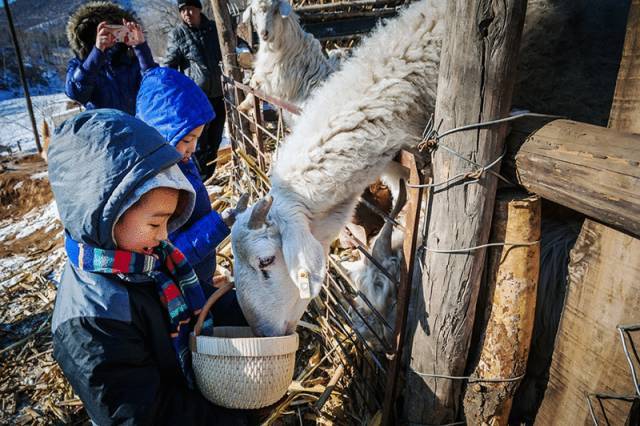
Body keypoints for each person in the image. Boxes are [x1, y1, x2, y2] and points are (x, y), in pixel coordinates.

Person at [48, 109, 250, 425]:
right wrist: (238, 418)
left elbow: (200, 306)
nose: (165, 234)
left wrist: (253, 314)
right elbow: (146, 416)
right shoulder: (91, 321)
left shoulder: (150, 260)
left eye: (169, 220)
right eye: (156, 222)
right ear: (106, 215)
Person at [136, 66, 246, 326]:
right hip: (183, 289)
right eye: (186, 139)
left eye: (197, 138)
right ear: (162, 132)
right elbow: (173, 252)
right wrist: (221, 224)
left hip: (198, 276)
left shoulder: (181, 161)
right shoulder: (159, 185)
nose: (194, 147)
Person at [164, 0, 226, 178]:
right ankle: (199, 179)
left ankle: (209, 175)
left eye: (190, 9)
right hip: (196, 100)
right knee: (197, 143)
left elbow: (235, 45)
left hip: (218, 96)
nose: (187, 14)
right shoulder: (178, 34)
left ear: (198, 9)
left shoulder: (214, 29)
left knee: (215, 139)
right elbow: (169, 66)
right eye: (183, 11)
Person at [65, 2, 156, 114]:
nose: (109, 34)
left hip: (139, 126)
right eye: (102, 30)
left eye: (114, 27)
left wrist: (141, 47)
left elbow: (156, 86)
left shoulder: (133, 59)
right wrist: (97, 52)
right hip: (105, 128)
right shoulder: (80, 64)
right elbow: (76, 94)